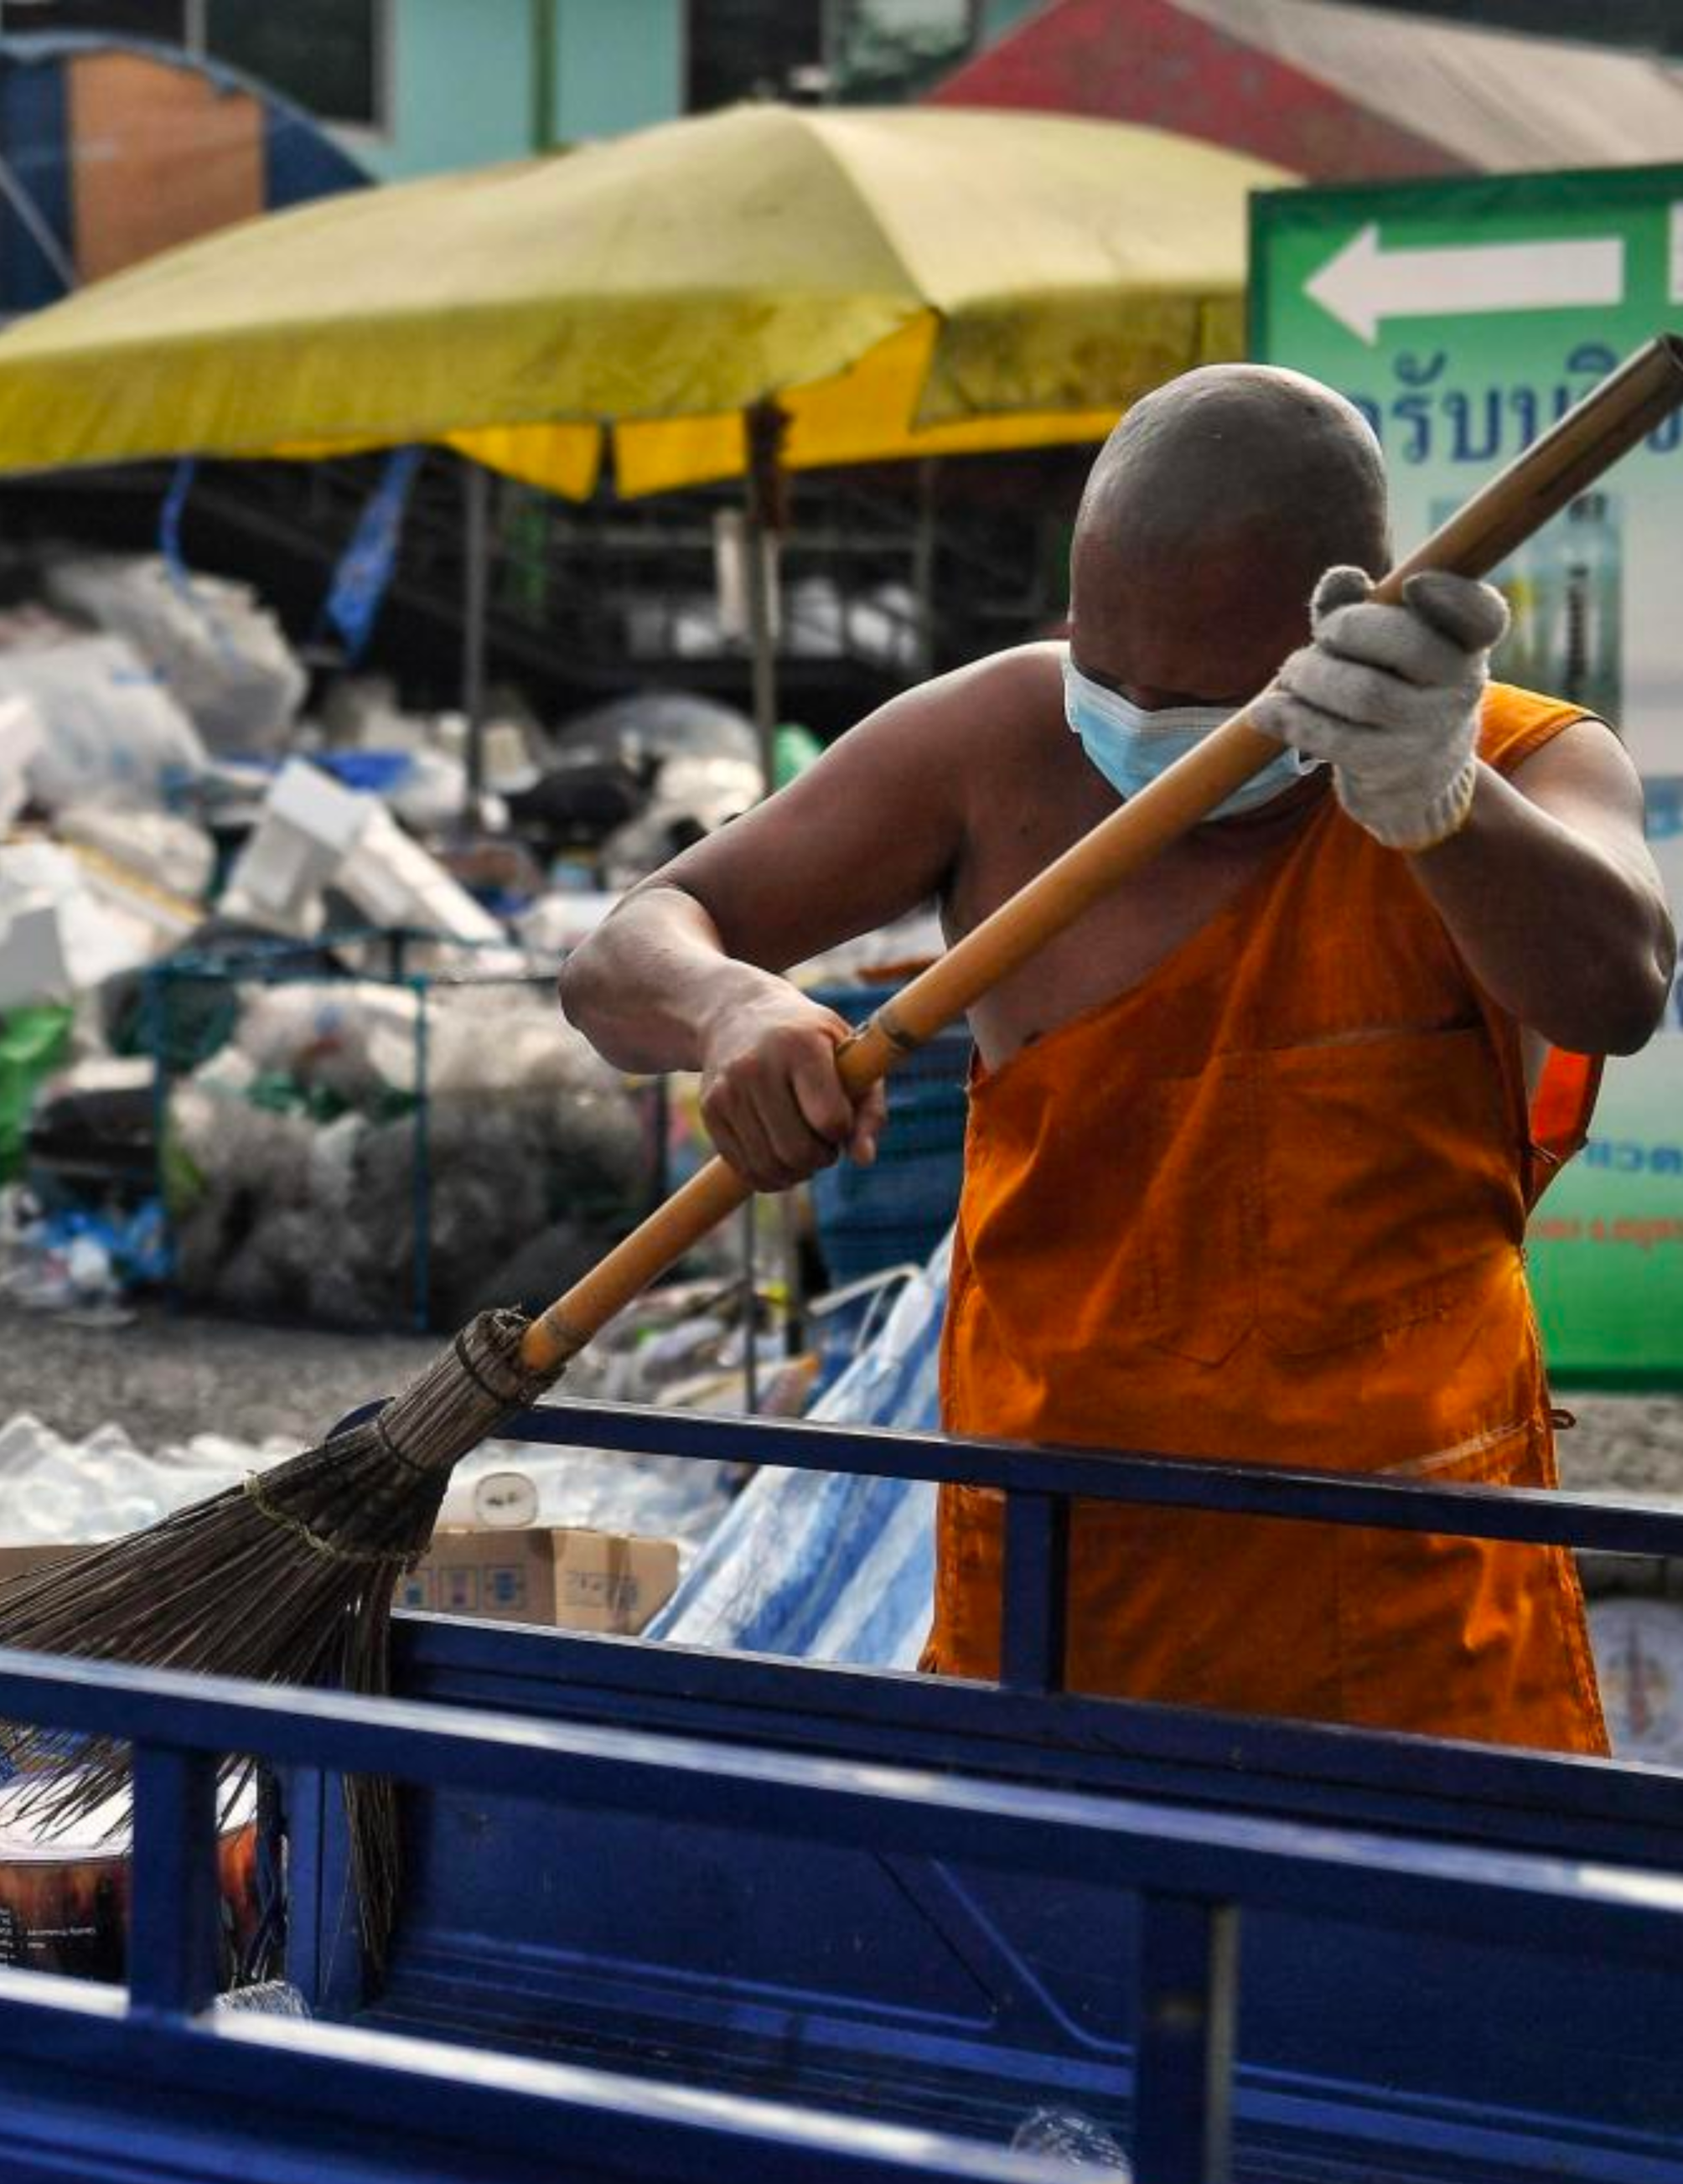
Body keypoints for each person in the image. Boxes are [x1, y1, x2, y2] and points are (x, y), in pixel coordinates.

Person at [560, 365, 1676, 1750]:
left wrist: (1441, 806)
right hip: (1059, 1576)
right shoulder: (1004, 739)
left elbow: (1619, 984)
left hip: (1409, 1594)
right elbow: (624, 953)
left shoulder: (1519, 767)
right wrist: (729, 1010)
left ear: (1349, 618)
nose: (1135, 721)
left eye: (1198, 695)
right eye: (1107, 666)